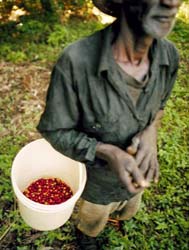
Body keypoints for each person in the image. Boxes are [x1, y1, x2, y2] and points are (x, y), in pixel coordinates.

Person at [37, 0, 181, 249]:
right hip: (98, 183)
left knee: (129, 208)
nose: (169, 2)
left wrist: (150, 132)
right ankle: (86, 238)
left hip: (136, 178)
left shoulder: (169, 56)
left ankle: (119, 217)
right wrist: (107, 152)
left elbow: (160, 105)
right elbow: (55, 130)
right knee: (93, 220)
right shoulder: (77, 62)